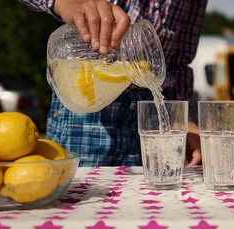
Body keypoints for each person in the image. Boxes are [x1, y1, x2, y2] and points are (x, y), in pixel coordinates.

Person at [19, 0, 207, 166]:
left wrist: (185, 121)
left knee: (145, 201)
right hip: (87, 109)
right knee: (80, 198)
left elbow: (177, 62)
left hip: (151, 115)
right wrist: (64, 2)